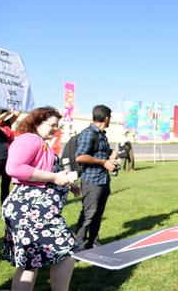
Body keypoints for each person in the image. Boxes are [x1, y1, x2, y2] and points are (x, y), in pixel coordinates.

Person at [2, 106, 79, 291]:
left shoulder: (40, 142)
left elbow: (41, 172)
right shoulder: (29, 139)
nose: (55, 129)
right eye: (52, 125)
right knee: (67, 251)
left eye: (57, 126)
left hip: (31, 209)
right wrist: (54, 177)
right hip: (31, 209)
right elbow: (14, 168)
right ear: (37, 122)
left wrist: (67, 182)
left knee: (30, 263)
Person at [75, 105, 118, 251]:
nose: (110, 120)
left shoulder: (101, 134)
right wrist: (103, 162)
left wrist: (111, 153)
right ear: (106, 118)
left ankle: (93, 242)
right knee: (88, 215)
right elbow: (80, 156)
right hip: (92, 181)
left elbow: (98, 151)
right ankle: (79, 246)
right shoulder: (89, 133)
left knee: (98, 214)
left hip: (103, 180)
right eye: (110, 117)